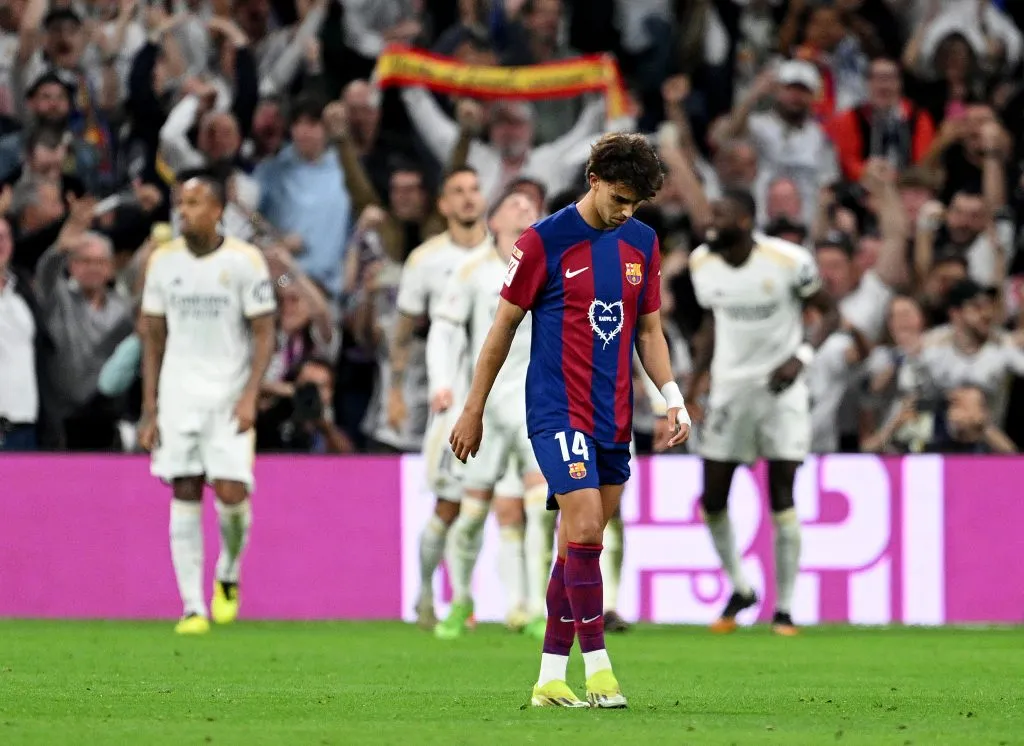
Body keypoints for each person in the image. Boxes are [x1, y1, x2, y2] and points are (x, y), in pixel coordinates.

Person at [450, 133, 691, 709]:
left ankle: (550, 678)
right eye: (619, 197)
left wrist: (672, 397)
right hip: (557, 409)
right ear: (594, 180)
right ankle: (601, 671)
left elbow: (649, 332)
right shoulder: (543, 242)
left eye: (636, 203)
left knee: (578, 545)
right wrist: (473, 407)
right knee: (584, 527)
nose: (625, 211)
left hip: (615, 415)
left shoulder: (642, 243)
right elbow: (502, 329)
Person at [686, 190, 838, 637]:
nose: (710, 222)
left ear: (747, 219)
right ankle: (740, 588)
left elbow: (829, 313)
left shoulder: (788, 260)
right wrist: (695, 384)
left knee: (782, 492)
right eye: (709, 213)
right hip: (730, 391)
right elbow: (712, 322)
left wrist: (802, 358)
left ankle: (786, 609)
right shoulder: (701, 263)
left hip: (781, 390)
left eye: (721, 214)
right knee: (712, 498)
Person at [139, 176, 277, 635]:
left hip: (228, 394)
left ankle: (229, 572)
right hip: (179, 394)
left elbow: (264, 333)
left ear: (218, 209)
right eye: (181, 203)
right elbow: (153, 337)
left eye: (195, 203)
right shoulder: (163, 261)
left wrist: (251, 394)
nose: (185, 211)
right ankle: (192, 606)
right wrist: (150, 407)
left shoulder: (244, 261)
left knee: (233, 495)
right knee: (184, 488)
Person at [428, 190, 553, 641]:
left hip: (535, 406)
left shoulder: (550, 264)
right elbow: (443, 329)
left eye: (530, 205)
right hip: (483, 407)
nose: (525, 209)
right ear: (494, 218)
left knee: (542, 512)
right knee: (472, 512)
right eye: (514, 204)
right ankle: (461, 599)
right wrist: (443, 382)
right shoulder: (472, 273)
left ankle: (539, 607)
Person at [387, 166, 491, 629]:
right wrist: (394, 390)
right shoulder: (425, 261)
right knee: (450, 505)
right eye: (458, 192)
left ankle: (472, 599)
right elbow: (405, 330)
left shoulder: (510, 255)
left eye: (474, 189)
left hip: (504, 402)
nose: (469, 199)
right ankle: (427, 590)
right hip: (452, 402)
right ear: (443, 206)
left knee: (502, 504)